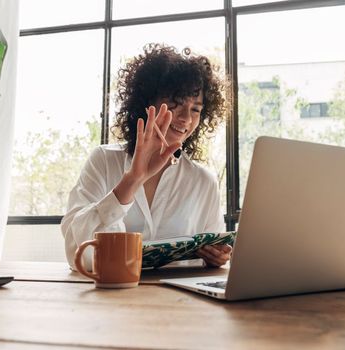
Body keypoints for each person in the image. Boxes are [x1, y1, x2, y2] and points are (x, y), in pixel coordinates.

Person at [61, 43, 232, 270]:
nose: (186, 119)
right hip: (110, 299)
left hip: (179, 303)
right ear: (146, 103)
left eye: (196, 109)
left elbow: (213, 256)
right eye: (175, 104)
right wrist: (132, 180)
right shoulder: (103, 160)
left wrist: (216, 259)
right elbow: (78, 255)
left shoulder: (204, 181)